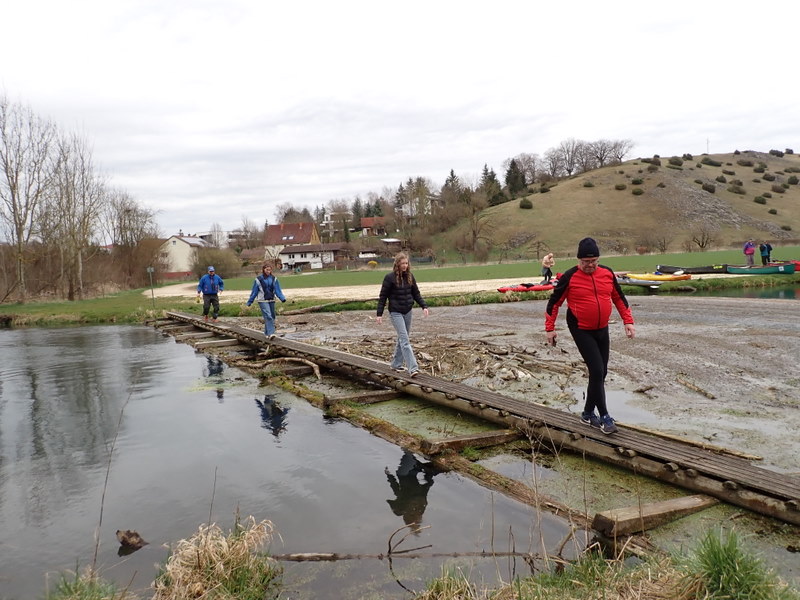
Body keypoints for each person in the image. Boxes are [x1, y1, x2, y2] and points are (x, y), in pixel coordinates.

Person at [544, 237, 635, 435]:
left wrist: (628, 321)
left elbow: (619, 297)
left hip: (602, 327)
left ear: (598, 259)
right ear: (579, 260)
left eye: (593, 261)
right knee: (596, 370)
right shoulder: (570, 277)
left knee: (602, 372)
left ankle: (587, 413)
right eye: (586, 262)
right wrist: (550, 329)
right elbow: (554, 303)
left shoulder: (607, 273)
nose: (590, 265)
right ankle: (604, 417)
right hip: (580, 328)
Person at [376, 252, 429, 377]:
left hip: (408, 311)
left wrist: (424, 306)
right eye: (402, 263)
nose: (405, 265)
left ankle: (396, 364)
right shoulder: (389, 278)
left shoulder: (410, 277)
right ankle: (413, 368)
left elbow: (416, 294)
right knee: (405, 340)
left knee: (402, 338)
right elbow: (383, 297)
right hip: (395, 312)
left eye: (406, 263)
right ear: (397, 264)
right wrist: (379, 314)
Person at [385, 450, 435, 530]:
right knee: (410, 458)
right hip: (410, 473)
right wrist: (389, 476)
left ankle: (417, 459)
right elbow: (396, 490)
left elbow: (396, 489)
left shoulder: (402, 508)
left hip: (408, 473)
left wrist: (389, 476)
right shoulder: (418, 506)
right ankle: (418, 460)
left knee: (409, 455)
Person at [246, 263, 287, 336]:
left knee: (272, 316)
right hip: (262, 300)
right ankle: (271, 333)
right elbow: (254, 291)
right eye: (267, 270)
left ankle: (267, 334)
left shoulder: (274, 279)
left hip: (271, 300)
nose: (268, 271)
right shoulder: (258, 279)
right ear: (263, 270)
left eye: (269, 270)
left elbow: (277, 290)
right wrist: (250, 301)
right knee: (268, 316)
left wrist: (282, 298)